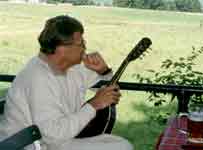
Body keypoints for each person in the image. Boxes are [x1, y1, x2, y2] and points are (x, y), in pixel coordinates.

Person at [0, 15, 133, 150]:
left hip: (56, 140)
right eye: (80, 43)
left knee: (120, 144)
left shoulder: (72, 67)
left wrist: (104, 71)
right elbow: (53, 136)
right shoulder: (37, 77)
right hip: (29, 145)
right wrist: (94, 105)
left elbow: (109, 90)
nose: (84, 48)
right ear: (61, 49)